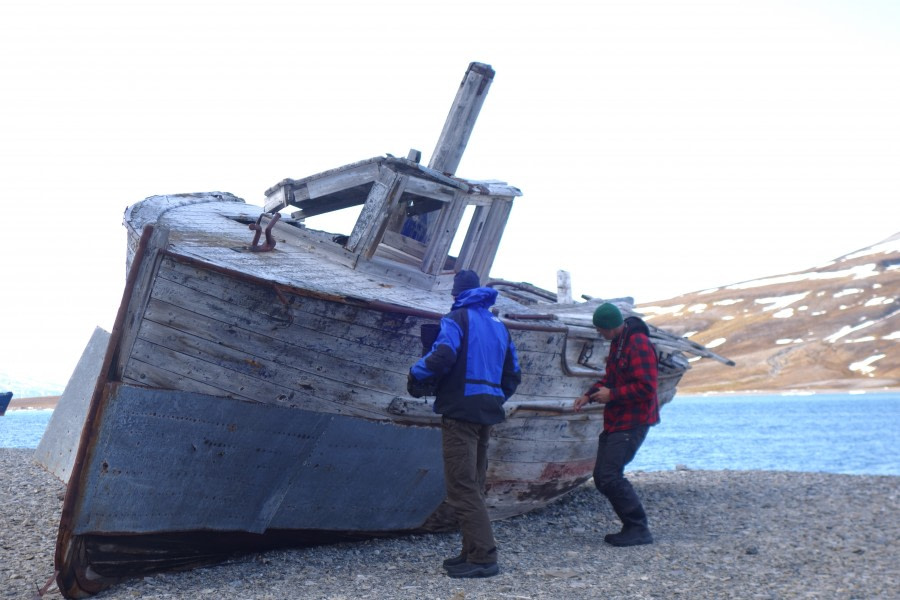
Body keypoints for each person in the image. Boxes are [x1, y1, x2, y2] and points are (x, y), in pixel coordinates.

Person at [407, 270, 521, 578]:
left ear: (456, 293)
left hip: (460, 412)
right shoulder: (500, 326)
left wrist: (416, 374)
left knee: (462, 486)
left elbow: (442, 355)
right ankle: (470, 550)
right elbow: (513, 373)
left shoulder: (456, 319)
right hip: (487, 412)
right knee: (474, 483)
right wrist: (494, 396)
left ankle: (483, 558)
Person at [574, 302, 659, 546]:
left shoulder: (639, 344)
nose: (600, 334)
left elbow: (646, 387)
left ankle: (638, 528)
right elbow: (611, 378)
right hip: (617, 419)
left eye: (601, 330)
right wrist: (589, 394)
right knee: (602, 476)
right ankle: (633, 526)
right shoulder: (619, 343)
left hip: (633, 420)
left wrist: (612, 395)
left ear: (610, 327)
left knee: (609, 476)